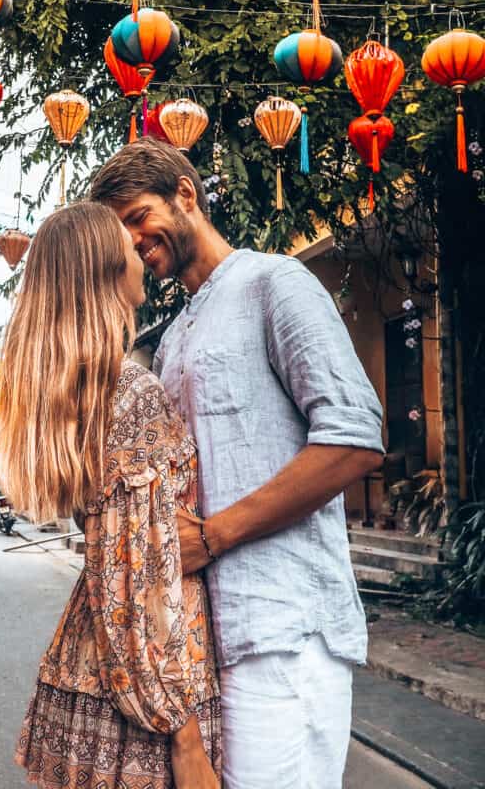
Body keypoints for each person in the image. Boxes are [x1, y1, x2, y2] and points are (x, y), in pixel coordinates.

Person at [91, 138, 386, 789]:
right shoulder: (170, 341)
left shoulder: (273, 282)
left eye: (139, 216)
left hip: (284, 628)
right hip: (207, 640)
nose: (134, 240)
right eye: (120, 233)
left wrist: (215, 535)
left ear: (186, 195)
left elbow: (356, 435)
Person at [0, 201, 221, 789]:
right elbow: (139, 575)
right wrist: (182, 733)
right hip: (145, 686)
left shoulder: (88, 395)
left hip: (99, 661)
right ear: (104, 270)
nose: (141, 251)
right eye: (126, 244)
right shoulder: (130, 392)